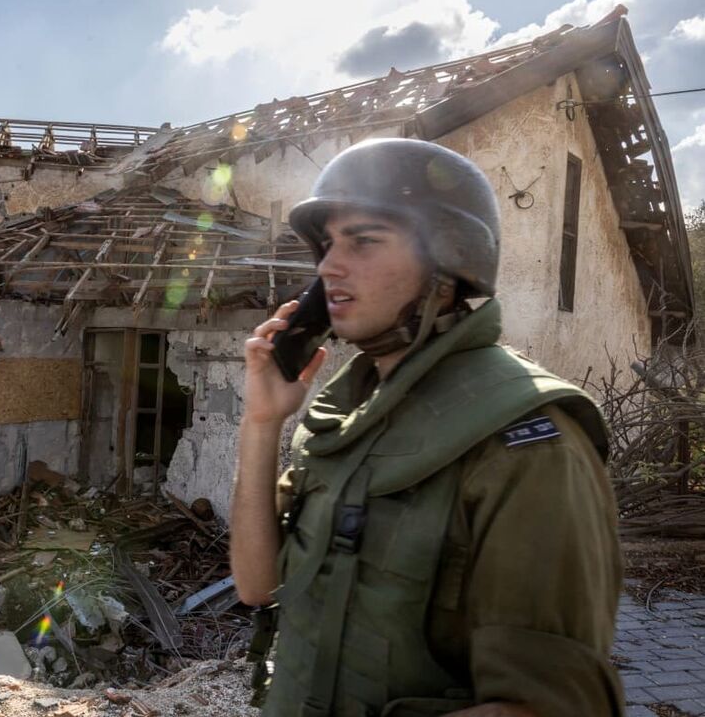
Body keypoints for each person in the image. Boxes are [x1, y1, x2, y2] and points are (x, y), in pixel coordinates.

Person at [232, 138, 624, 717]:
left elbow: (548, 705)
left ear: (447, 260)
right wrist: (262, 421)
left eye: (363, 241)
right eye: (328, 245)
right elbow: (257, 585)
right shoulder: (349, 416)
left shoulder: (527, 442)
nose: (328, 267)